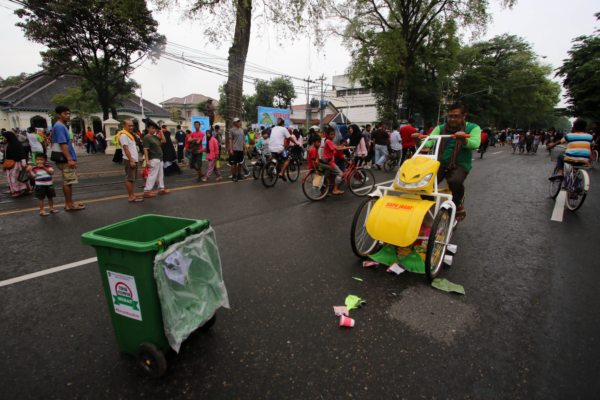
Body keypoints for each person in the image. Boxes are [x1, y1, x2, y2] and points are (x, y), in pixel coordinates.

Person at [427, 101, 481, 221]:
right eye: (450, 116)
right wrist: (418, 141)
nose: (452, 119)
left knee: (454, 181)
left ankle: (458, 203)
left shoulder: (473, 127)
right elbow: (428, 143)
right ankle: (429, 208)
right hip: (440, 163)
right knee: (424, 184)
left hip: (460, 164)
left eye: (456, 116)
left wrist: (464, 140)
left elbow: (475, 143)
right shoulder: (440, 128)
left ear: (464, 116)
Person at [51, 105, 85, 211]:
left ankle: (69, 203)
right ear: (59, 114)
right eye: (65, 113)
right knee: (68, 181)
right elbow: (63, 144)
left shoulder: (60, 125)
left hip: (64, 158)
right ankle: (69, 205)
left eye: (69, 113)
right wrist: (69, 159)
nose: (68, 115)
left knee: (68, 181)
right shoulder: (60, 126)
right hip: (64, 158)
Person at [117, 119, 143, 203]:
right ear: (124, 126)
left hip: (132, 159)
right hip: (129, 160)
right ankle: (131, 197)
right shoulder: (123, 135)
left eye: (132, 125)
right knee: (129, 179)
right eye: (129, 126)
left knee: (132, 179)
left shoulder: (129, 134)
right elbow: (126, 148)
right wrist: (131, 160)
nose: (131, 127)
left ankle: (132, 195)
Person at [323, 125, 353, 195]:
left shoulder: (329, 141)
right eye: (331, 134)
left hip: (330, 161)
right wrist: (348, 147)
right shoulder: (328, 141)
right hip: (330, 162)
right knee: (340, 173)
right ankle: (335, 189)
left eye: (334, 134)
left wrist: (346, 146)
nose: (333, 136)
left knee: (333, 175)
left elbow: (336, 147)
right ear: (327, 135)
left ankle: (330, 188)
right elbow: (337, 148)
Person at [142, 121, 169, 197]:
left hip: (159, 158)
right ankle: (147, 190)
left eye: (154, 128)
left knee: (160, 175)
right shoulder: (146, 137)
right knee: (152, 175)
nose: (153, 130)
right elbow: (145, 149)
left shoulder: (155, 137)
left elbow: (164, 141)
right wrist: (147, 161)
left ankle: (161, 188)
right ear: (148, 128)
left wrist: (161, 131)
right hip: (153, 158)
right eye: (152, 128)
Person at [2, 129, 31, 197]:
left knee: (15, 178)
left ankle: (17, 191)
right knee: (20, 177)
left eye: (5, 137)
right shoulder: (11, 144)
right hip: (13, 164)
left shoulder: (13, 145)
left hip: (15, 164)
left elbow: (21, 154)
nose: (4, 138)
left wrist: (24, 163)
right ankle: (24, 189)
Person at [228, 117, 246, 181]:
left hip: (241, 149)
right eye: (237, 121)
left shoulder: (242, 130)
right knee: (234, 164)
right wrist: (231, 149)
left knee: (240, 163)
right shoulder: (231, 130)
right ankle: (234, 176)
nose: (239, 122)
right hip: (234, 149)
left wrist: (244, 149)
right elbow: (230, 140)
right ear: (234, 123)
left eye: (239, 121)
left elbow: (243, 140)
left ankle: (239, 175)